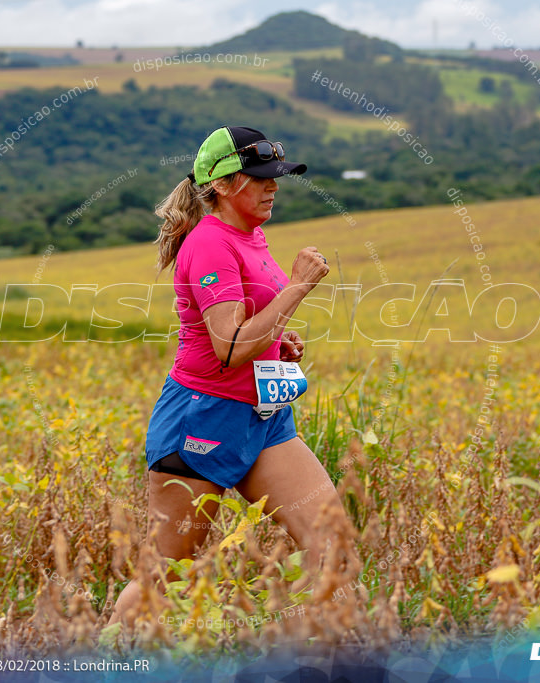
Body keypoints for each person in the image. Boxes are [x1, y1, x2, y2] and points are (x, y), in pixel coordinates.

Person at [110, 126, 357, 625]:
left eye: (277, 177)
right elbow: (227, 348)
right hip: (203, 419)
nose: (273, 187)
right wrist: (300, 287)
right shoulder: (209, 245)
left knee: (334, 548)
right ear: (221, 185)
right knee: (167, 578)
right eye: (260, 177)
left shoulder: (251, 234)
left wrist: (276, 341)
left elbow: (247, 328)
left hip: (263, 418)